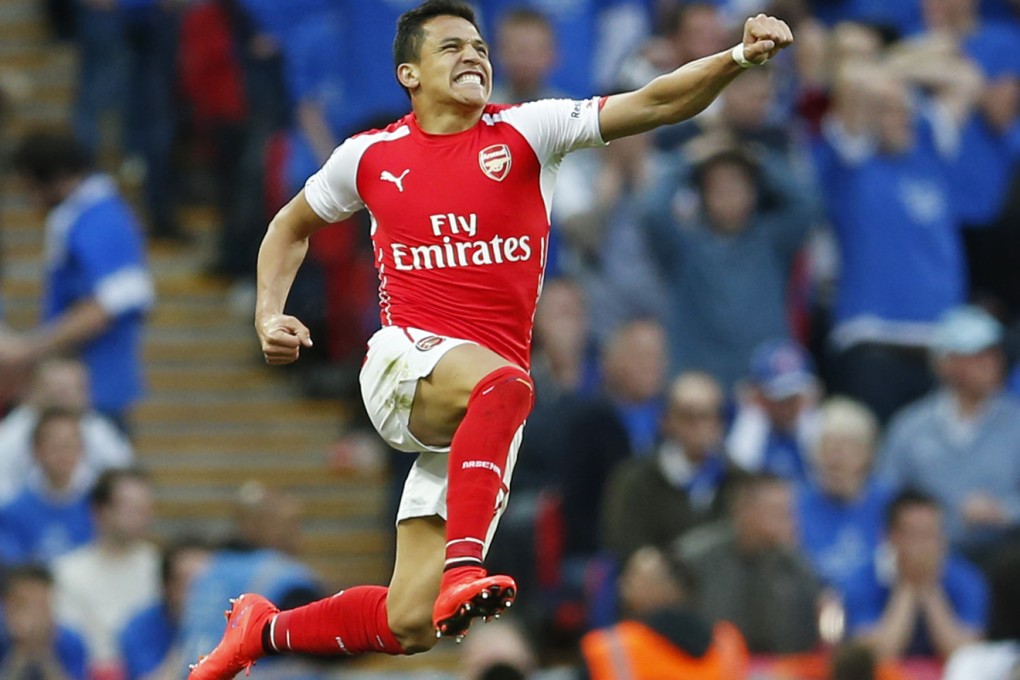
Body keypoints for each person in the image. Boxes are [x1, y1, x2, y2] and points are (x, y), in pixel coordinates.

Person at [188, 2, 794, 677]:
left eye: (480, 45)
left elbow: (655, 102)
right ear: (409, 74)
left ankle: (261, 632)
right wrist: (269, 313)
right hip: (406, 367)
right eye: (452, 47)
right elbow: (288, 226)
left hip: (478, 414)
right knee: (508, 383)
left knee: (408, 623)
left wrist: (737, 59)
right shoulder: (370, 156)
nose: (474, 55)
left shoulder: (529, 130)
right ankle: (465, 566)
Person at [6, 133, 155, 429]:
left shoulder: (101, 219)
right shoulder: (79, 219)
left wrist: (28, 351)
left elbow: (105, 308)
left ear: (57, 179)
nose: (30, 201)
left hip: (94, 391)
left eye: (31, 189)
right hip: (72, 388)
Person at [879, 305, 1020, 561]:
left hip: (1004, 553)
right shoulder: (910, 426)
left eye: (994, 354)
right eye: (977, 355)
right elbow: (887, 496)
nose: (992, 364)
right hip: (930, 557)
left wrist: (1004, 512)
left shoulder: (1016, 422)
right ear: (946, 364)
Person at [676, 473, 821, 654]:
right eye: (778, 513)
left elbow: (799, 644)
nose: (790, 523)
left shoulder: (796, 567)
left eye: (790, 513)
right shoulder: (692, 559)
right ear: (743, 511)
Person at [601, 372, 734, 563]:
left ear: (719, 423)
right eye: (687, 416)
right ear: (667, 421)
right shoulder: (634, 480)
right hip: (655, 586)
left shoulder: (738, 480)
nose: (697, 425)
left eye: (706, 416)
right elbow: (625, 545)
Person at [844, 489, 988, 661]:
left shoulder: (967, 579)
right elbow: (876, 656)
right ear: (889, 537)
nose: (923, 546)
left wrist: (929, 588)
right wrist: (907, 587)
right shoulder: (860, 581)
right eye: (913, 534)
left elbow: (966, 655)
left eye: (930, 534)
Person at [52, 469, 160, 680]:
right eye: (131, 508)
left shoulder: (158, 566)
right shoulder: (66, 572)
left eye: (145, 508)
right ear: (100, 511)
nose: (142, 516)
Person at [580, 546, 749, 680]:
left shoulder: (608, 648)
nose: (621, 583)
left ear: (669, 590)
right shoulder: (727, 642)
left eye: (633, 576)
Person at [0, 357, 133, 504]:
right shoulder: (10, 433)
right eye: (54, 389)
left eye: (70, 389)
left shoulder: (101, 433)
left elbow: (125, 485)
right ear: (33, 392)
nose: (62, 398)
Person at [796, 397, 890, 594]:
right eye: (826, 446)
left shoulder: (891, 505)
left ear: (868, 454)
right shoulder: (794, 506)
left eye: (846, 446)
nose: (835, 457)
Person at [0, 407, 95, 565]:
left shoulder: (98, 508)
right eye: (54, 446)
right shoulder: (12, 512)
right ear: (36, 451)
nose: (63, 453)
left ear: (82, 450)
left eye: (69, 445)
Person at [727, 338, 821, 483]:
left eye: (794, 397)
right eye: (780, 399)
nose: (788, 407)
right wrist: (752, 416)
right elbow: (740, 472)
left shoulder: (816, 426)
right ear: (759, 396)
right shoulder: (741, 424)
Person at [118, 539, 212, 680]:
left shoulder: (233, 623)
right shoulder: (140, 628)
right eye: (189, 583)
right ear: (167, 586)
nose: (199, 593)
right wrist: (191, 633)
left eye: (207, 583)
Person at [0, 564, 87, 680]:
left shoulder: (70, 640)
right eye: (23, 605)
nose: (32, 615)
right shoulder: (3, 638)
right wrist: (20, 651)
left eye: (40, 605)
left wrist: (42, 652)